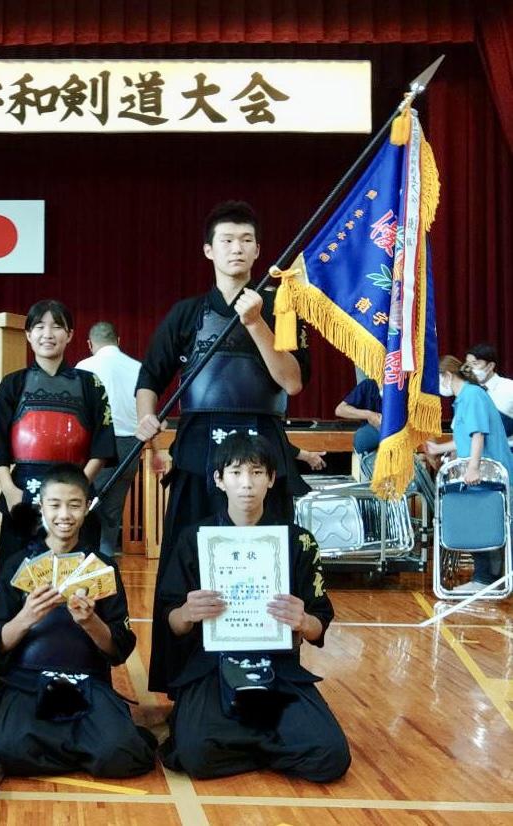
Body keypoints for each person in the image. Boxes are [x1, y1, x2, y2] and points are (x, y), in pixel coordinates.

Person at [136, 201, 309, 694]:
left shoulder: (282, 311)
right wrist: (148, 416)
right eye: (227, 240)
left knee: (271, 560)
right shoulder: (187, 313)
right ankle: (184, 682)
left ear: (258, 250)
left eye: (246, 240)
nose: (237, 248)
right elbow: (151, 377)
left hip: (263, 451)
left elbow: (292, 382)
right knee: (186, 560)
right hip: (198, 453)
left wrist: (256, 323)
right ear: (209, 250)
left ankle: (269, 672)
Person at [158, 432, 350, 782]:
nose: (246, 483)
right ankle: (270, 747)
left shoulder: (298, 541)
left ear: (271, 479)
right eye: (235, 473)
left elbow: (319, 621)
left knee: (330, 756)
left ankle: (250, 745)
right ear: (219, 480)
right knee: (196, 755)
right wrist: (186, 612)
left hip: (278, 665)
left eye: (257, 472)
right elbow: (171, 620)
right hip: (212, 664)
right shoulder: (194, 538)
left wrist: (303, 620)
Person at [0, 464, 157, 778]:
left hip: (87, 682)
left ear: (87, 507)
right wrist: (27, 616)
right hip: (25, 682)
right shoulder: (17, 564)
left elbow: (119, 649)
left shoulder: (101, 567)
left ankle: (75, 744)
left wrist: (90, 622)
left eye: (74, 505)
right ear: (41, 507)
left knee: (120, 754)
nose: (64, 515)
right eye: (55, 505)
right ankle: (79, 750)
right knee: (10, 750)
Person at [0, 300, 115, 573]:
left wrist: (78, 488)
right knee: (17, 575)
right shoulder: (11, 384)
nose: (48, 334)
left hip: (75, 494)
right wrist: (10, 491)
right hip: (23, 496)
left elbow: (102, 446)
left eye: (57, 326)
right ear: (28, 334)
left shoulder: (90, 384)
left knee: (76, 576)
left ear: (69, 335)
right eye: (39, 327)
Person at [425, 355, 513, 593]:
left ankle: (485, 580)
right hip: (483, 472)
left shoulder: (472, 395)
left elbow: (478, 435)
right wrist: (436, 449)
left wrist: (473, 467)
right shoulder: (465, 398)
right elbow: (465, 438)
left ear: (447, 376)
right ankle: (489, 578)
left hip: (488, 474)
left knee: (481, 523)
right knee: (482, 522)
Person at [75, 321, 143, 557]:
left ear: (90, 344)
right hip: (132, 446)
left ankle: (85, 558)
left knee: (87, 504)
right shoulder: (138, 367)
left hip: (98, 446)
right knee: (113, 511)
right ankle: (105, 558)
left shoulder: (84, 367)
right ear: (118, 341)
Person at [335, 377, 383, 479]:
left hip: (398, 437)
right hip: (370, 446)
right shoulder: (369, 385)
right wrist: (368, 414)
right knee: (363, 438)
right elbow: (340, 410)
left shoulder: (406, 387)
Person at [464, 343, 513, 436]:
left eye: (475, 364)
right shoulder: (467, 390)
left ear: (490, 366)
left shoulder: (510, 388)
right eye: (467, 364)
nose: (469, 369)